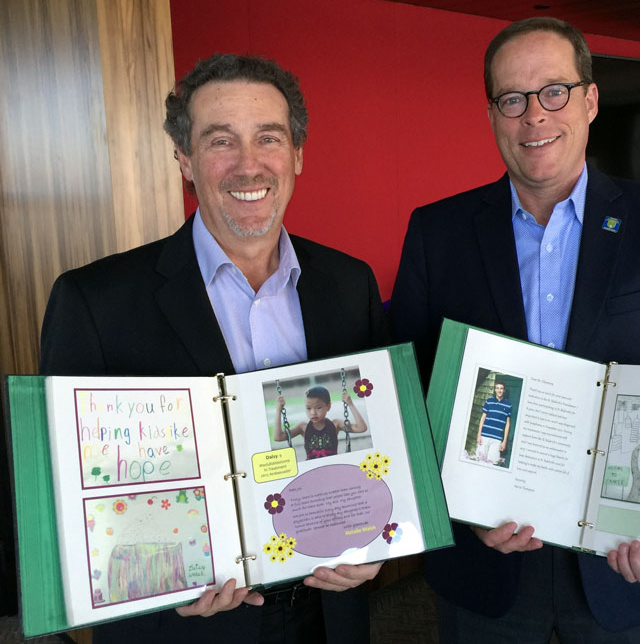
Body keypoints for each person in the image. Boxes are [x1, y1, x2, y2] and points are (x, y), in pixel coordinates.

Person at [390, 16, 640, 643]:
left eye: (554, 91)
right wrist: (459, 505)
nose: (534, 116)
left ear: (591, 100)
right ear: (493, 113)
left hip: (631, 567)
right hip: (485, 568)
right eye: (512, 99)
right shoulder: (435, 233)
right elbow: (408, 395)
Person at [40, 54, 387, 644]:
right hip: (185, 628)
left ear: (297, 154)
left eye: (268, 138)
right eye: (220, 141)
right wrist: (159, 591)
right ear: (185, 159)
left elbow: (377, 442)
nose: (248, 165)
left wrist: (379, 540)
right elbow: (68, 499)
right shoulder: (94, 301)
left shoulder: (351, 285)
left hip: (326, 614)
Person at [274, 386, 368, 459]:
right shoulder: (303, 427)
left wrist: (350, 404)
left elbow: (361, 428)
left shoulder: (336, 424)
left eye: (318, 407)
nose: (313, 412)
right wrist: (278, 410)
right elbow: (278, 437)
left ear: (328, 406)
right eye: (308, 408)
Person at [475, 380, 511, 464]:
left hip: (497, 439)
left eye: (501, 388)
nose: (499, 390)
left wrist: (504, 441)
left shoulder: (508, 405)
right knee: (479, 461)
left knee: (492, 463)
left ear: (504, 390)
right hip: (484, 436)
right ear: (495, 389)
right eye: (497, 388)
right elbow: (482, 419)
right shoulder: (489, 401)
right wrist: (479, 435)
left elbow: (507, 424)